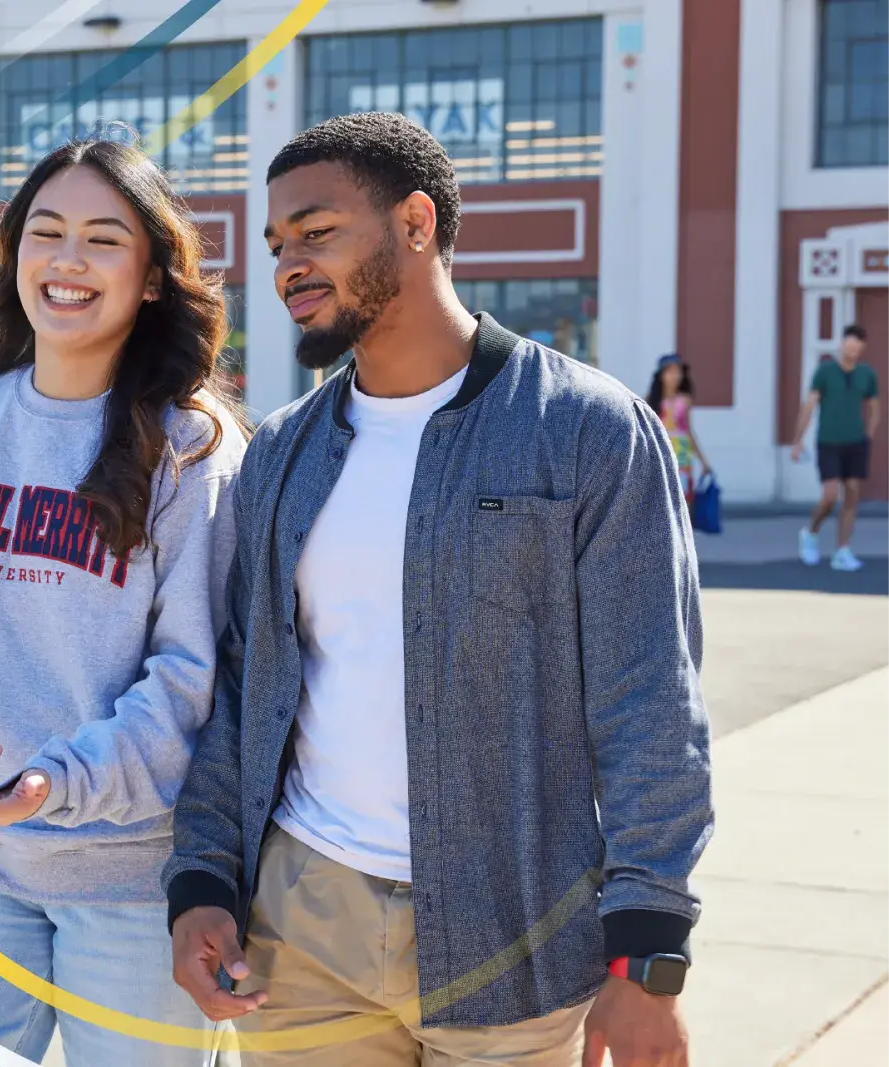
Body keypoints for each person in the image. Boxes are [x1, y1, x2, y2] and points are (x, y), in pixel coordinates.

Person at [166, 112, 712, 1067]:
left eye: (317, 231)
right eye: (278, 243)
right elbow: (246, 685)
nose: (289, 265)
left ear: (416, 222)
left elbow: (650, 705)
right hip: (304, 928)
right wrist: (203, 877)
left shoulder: (586, 429)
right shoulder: (284, 450)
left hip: (515, 935)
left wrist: (648, 958)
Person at [0, 138, 247, 1066]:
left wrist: (56, 782)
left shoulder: (193, 448)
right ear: (13, 253)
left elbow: (191, 677)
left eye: (104, 239)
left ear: (153, 277)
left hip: (134, 880)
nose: (68, 260)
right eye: (46, 231)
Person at [791, 324, 880, 572]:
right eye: (849, 345)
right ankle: (810, 533)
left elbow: (875, 408)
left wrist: (868, 435)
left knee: (852, 494)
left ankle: (842, 550)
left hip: (856, 443)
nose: (852, 350)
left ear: (862, 349)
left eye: (857, 347)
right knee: (830, 496)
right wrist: (797, 440)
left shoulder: (867, 375)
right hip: (829, 441)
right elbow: (809, 406)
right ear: (842, 344)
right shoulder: (825, 372)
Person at [647, 353, 712, 498]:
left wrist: (703, 461)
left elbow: (688, 431)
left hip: (682, 453)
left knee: (683, 497)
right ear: (661, 375)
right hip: (661, 452)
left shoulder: (685, 400)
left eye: (678, 372)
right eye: (670, 371)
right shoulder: (650, 400)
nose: (675, 376)